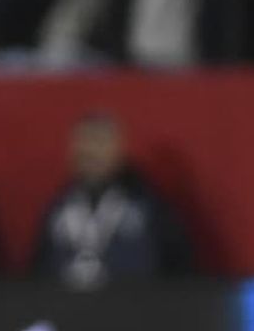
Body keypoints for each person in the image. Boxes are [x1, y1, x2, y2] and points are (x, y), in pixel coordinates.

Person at [32, 113, 193, 288]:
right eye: (83, 145)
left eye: (99, 143)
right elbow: (36, 272)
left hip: (135, 309)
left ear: (119, 149)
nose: (90, 152)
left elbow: (181, 270)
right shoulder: (59, 207)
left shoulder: (149, 206)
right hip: (66, 310)